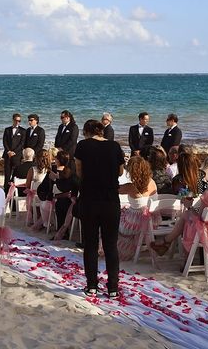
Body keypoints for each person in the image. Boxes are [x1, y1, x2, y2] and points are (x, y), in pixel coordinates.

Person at [74, 119, 125, 298]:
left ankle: (92, 286)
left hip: (90, 200)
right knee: (111, 245)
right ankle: (113, 287)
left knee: (91, 245)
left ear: (87, 132)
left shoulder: (82, 146)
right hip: (111, 200)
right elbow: (120, 171)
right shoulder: (115, 146)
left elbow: (79, 171)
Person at [151, 159, 208, 256]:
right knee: (187, 217)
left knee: (187, 217)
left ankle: (170, 244)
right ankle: (166, 242)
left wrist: (189, 207)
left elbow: (199, 218)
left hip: (207, 234)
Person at [116, 156, 157, 261]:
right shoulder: (152, 182)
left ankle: (105, 247)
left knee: (109, 218)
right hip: (152, 220)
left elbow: (112, 188)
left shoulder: (131, 187)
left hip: (135, 223)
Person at [2, 113, 25, 188]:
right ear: (13, 120)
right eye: (16, 120)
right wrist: (8, 151)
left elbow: (22, 143)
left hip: (17, 155)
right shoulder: (7, 130)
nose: (17, 122)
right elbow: (4, 141)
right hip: (8, 155)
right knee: (7, 174)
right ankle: (5, 190)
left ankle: (16, 189)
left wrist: (14, 152)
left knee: (17, 174)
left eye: (19, 121)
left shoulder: (23, 131)